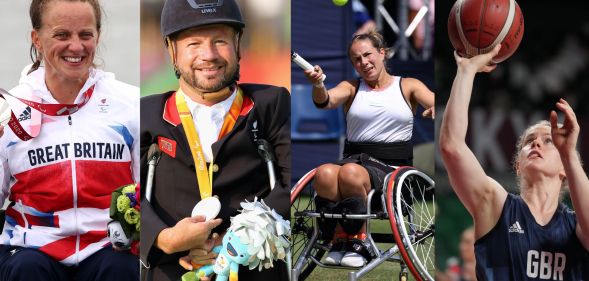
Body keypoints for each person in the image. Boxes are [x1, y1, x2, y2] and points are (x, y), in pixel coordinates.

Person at [139, 0, 290, 280]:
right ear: (172, 51)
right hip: (171, 270)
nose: (208, 55)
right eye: (193, 44)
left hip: (253, 269)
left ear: (238, 44)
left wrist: (240, 239)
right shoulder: (144, 114)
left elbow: (294, 185)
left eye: (220, 41)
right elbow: (123, 193)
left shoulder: (273, 103)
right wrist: (166, 238)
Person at [0, 0, 139, 280]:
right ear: (36, 39)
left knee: (122, 269)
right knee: (27, 269)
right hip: (32, 251)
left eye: (85, 35)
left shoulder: (130, 103)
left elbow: (150, 193)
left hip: (108, 248)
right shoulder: (9, 112)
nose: (76, 47)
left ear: (97, 37)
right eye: (62, 35)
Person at [439, 45, 589, 280]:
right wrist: (466, 72)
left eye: (548, 141)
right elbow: (452, 147)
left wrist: (569, 153)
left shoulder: (576, 226)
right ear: (518, 165)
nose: (536, 144)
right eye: (529, 141)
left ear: (565, 169)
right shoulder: (498, 205)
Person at [303, 30, 434, 267]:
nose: (363, 63)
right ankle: (338, 239)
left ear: (382, 53)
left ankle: (358, 241)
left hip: (393, 173)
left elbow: (435, 101)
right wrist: (318, 84)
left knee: (350, 172)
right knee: (323, 173)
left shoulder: (408, 85)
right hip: (353, 163)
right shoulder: (351, 87)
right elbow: (325, 101)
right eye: (356, 59)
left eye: (368, 55)